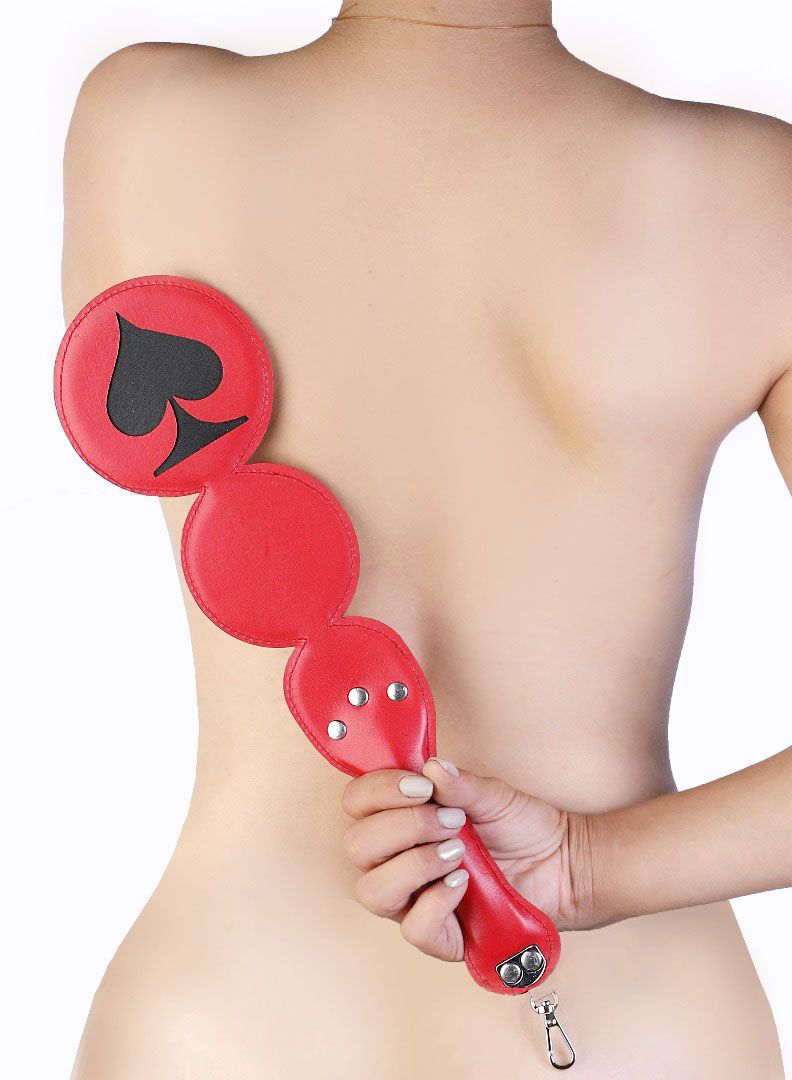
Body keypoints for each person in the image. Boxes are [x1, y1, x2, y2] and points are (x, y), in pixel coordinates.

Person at [62, 2, 791, 1077]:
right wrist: (590, 867)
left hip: (229, 1020)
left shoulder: (145, 120)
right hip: (643, 1027)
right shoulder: (760, 198)